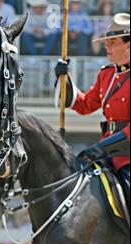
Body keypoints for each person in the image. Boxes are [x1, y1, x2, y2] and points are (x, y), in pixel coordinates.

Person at [55, 13, 130, 202]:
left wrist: (102, 147)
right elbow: (84, 104)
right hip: (105, 152)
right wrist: (64, 79)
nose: (106, 46)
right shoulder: (106, 75)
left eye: (113, 42)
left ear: (128, 46)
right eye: (107, 42)